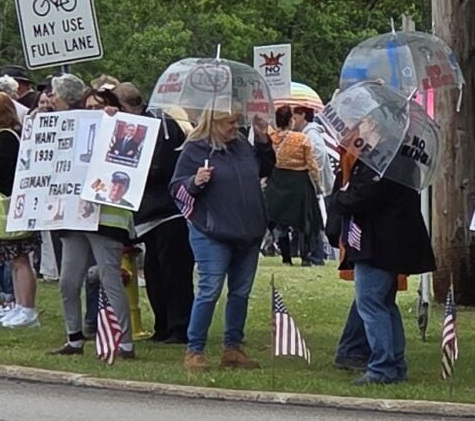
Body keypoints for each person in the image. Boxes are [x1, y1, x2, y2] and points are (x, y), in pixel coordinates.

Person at [171, 108, 275, 373]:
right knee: (210, 289)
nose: (235, 127)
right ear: (213, 122)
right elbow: (176, 188)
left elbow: (264, 167)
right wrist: (195, 181)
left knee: (241, 292)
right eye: (229, 122)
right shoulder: (195, 149)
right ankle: (195, 350)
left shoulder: (241, 144)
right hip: (212, 231)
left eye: (237, 121)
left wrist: (263, 139)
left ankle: (233, 347)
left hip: (248, 230)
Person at [331, 143, 437, 387]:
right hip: (390, 241)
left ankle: (383, 367)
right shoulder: (402, 157)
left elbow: (363, 196)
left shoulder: (384, 159)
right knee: (385, 304)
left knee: (371, 303)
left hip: (378, 242)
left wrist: (341, 195)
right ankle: (395, 364)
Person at [49, 93, 137, 360]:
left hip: (107, 219)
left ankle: (125, 344)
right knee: (68, 281)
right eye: (88, 107)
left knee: (110, 279)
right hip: (75, 216)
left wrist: (115, 120)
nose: (94, 111)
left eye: (98, 107)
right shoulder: (78, 134)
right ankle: (74, 338)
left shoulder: (124, 135)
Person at [124, 85, 193, 344]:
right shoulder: (140, 128)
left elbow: (165, 169)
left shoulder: (163, 127)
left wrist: (135, 173)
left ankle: (180, 326)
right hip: (148, 214)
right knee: (154, 272)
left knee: (174, 272)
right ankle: (163, 323)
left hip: (168, 212)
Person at [0, 93, 40, 328]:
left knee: (20, 260)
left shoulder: (6, 137)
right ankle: (18, 305)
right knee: (13, 260)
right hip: (11, 203)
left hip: (10, 204)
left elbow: (3, 171)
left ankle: (27, 307)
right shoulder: (8, 134)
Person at [264, 106, 325, 266]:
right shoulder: (301, 139)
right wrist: (318, 184)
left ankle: (286, 257)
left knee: (280, 220)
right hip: (299, 180)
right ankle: (305, 257)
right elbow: (311, 164)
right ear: (291, 120)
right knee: (303, 220)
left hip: (278, 180)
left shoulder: (272, 137)